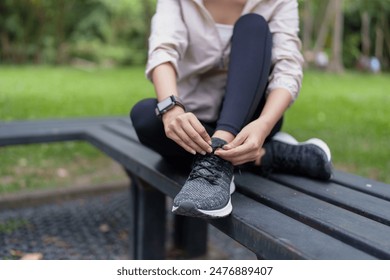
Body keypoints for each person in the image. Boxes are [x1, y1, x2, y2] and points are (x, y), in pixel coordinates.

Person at [130, 0, 333, 219]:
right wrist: (172, 109)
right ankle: (264, 156)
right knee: (145, 118)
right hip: (197, 121)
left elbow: (288, 68)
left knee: (253, 25)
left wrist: (265, 124)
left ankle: (218, 158)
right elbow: (163, 49)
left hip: (253, 120)